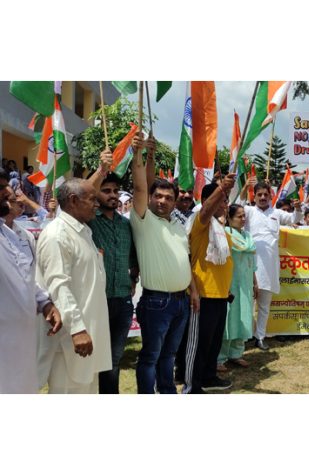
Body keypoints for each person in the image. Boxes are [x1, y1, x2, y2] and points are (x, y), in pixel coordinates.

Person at [129, 134, 194, 394]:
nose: (162, 200)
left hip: (181, 302)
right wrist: (142, 155)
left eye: (168, 197)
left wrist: (192, 292)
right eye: (158, 196)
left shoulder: (176, 223)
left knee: (169, 356)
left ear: (175, 201)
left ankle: (167, 393)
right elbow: (141, 186)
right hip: (157, 302)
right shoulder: (144, 219)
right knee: (150, 358)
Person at [36, 179, 110, 393]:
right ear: (73, 200)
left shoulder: (82, 231)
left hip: (89, 333)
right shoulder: (57, 235)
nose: (97, 204)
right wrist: (77, 329)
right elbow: (59, 286)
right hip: (70, 340)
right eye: (91, 199)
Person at [86, 152, 140, 394]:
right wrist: (101, 168)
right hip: (97, 301)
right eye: (106, 190)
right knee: (90, 360)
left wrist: (132, 277)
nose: (113, 196)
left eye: (115, 192)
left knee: (113, 360)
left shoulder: (125, 224)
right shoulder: (88, 222)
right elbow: (83, 191)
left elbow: (132, 257)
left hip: (123, 300)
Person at [0, 184, 61, 393]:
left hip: (23, 339)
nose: (8, 195)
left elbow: (25, 278)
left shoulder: (20, 235)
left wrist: (44, 303)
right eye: (1, 190)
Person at [183, 178, 236, 393]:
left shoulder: (220, 228)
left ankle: (209, 377)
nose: (224, 204)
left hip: (221, 295)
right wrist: (222, 187)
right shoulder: (199, 221)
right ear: (206, 200)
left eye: (225, 201)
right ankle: (192, 386)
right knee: (198, 346)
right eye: (219, 200)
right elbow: (205, 211)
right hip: (202, 295)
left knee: (214, 343)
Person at [244, 177, 303, 350]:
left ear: (271, 196)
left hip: (269, 267)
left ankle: (260, 336)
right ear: (254, 196)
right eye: (259, 194)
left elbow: (295, 217)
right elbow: (236, 204)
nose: (262, 197)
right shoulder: (248, 211)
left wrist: (298, 207)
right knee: (247, 304)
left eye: (265, 195)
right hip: (249, 266)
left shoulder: (276, 214)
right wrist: (244, 188)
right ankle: (245, 336)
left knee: (264, 306)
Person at [219, 204, 257, 369]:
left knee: (244, 316)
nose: (243, 219)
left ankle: (236, 354)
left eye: (244, 216)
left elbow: (252, 263)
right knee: (229, 319)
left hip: (246, 283)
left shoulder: (248, 236)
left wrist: (255, 282)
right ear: (229, 218)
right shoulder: (225, 235)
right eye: (239, 216)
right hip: (230, 284)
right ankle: (220, 358)